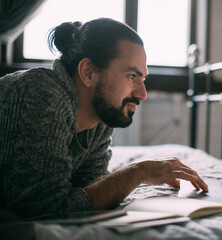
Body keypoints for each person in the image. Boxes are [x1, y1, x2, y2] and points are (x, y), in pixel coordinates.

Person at [0, 18, 208, 218]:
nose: (142, 94)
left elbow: (89, 189)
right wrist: (139, 171)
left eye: (143, 79)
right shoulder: (42, 93)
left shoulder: (100, 119)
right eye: (131, 76)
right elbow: (45, 209)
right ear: (88, 72)